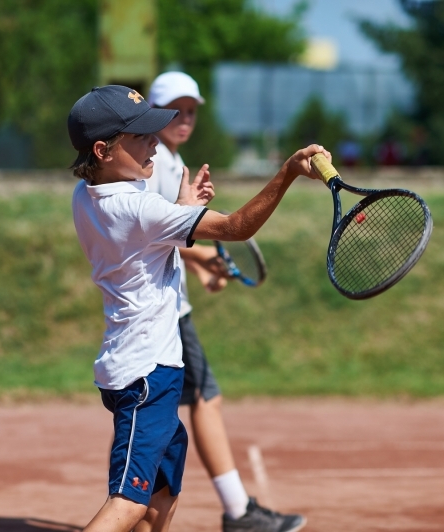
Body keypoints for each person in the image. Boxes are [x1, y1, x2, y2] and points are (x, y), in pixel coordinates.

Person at [67, 84, 327, 532]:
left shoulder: (86, 196)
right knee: (128, 504)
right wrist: (286, 172)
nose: (154, 142)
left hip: (143, 370)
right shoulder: (141, 208)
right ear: (102, 150)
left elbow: (144, 239)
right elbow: (236, 226)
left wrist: (182, 210)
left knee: (161, 497)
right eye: (140, 136)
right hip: (146, 375)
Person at [147, 71, 307, 532]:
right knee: (203, 401)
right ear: (154, 113)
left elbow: (167, 235)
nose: (186, 118)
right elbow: (156, 232)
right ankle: (238, 512)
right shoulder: (157, 162)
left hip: (165, 307)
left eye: (192, 109)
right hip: (165, 313)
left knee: (169, 417)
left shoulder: (165, 161)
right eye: (175, 109)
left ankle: (218, 509)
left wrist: (201, 266)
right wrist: (204, 259)